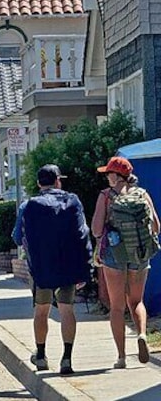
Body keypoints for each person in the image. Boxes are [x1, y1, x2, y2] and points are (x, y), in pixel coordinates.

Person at [13, 164, 92, 375]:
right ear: (58, 180)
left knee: (41, 310)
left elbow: (17, 237)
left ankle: (40, 355)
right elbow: (83, 232)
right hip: (68, 265)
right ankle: (66, 358)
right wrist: (85, 266)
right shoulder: (73, 201)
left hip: (41, 267)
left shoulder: (28, 205)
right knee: (67, 309)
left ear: (39, 183)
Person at [91, 156, 161, 369]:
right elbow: (156, 227)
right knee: (136, 302)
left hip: (114, 255)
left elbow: (95, 229)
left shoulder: (106, 196)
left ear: (116, 175)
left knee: (116, 307)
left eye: (108, 174)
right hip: (139, 254)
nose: (107, 178)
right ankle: (141, 335)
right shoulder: (142, 194)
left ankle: (121, 357)